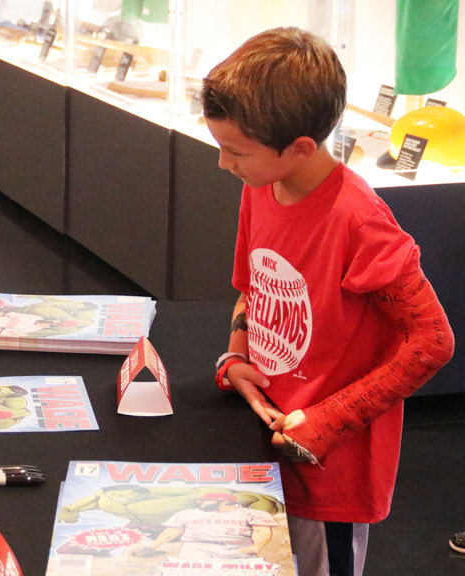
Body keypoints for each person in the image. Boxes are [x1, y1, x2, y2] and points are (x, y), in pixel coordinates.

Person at [203, 27, 454, 576]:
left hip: (329, 471)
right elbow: (252, 281)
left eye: (236, 151)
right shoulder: (258, 186)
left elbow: (433, 341)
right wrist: (237, 355)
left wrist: (328, 422)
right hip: (266, 436)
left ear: (299, 148)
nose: (225, 165)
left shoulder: (360, 222)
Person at [131, 492, 277, 560]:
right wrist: (153, 546)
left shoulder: (251, 513)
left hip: (237, 553)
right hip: (196, 551)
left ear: (225, 502)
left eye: (206, 501)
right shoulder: (188, 513)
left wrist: (256, 547)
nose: (201, 503)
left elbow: (261, 530)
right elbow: (171, 532)